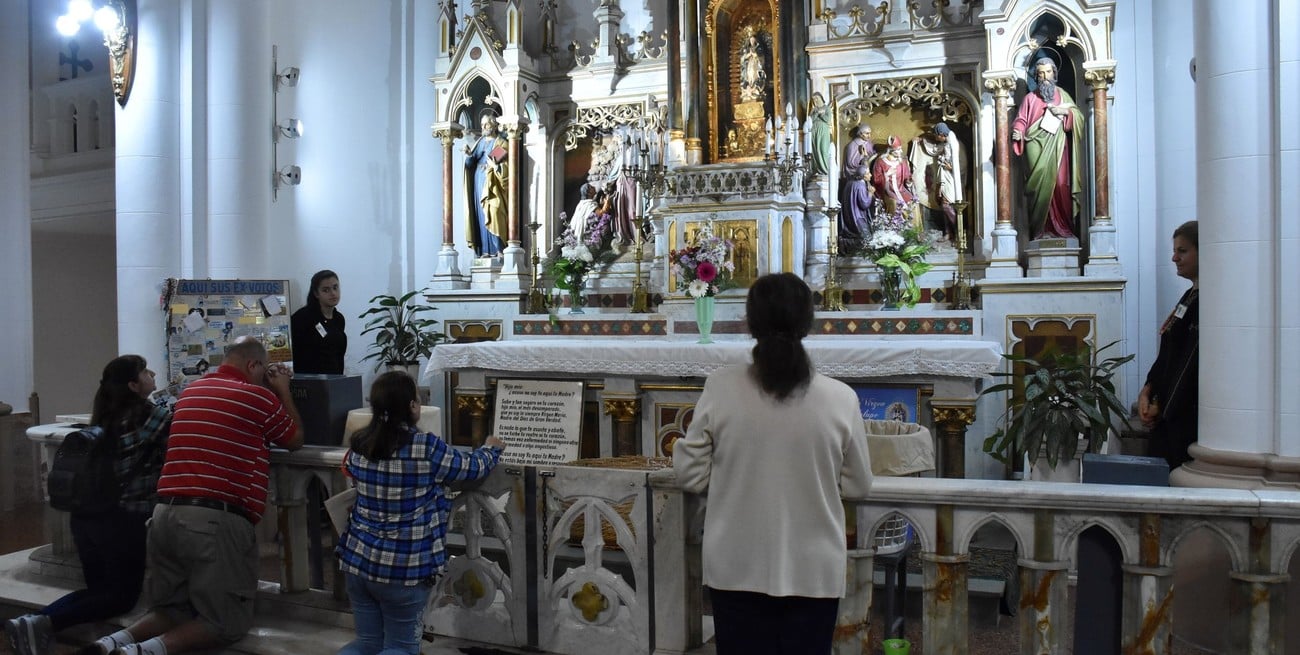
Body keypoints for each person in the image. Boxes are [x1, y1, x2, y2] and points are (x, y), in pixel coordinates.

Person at [672, 272, 873, 655]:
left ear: (751, 322)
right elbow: (859, 485)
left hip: (736, 563)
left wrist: (737, 477)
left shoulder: (721, 387)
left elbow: (690, 473)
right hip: (812, 569)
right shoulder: (840, 398)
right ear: (807, 323)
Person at [86, 338, 304, 655]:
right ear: (254, 365)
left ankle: (110, 644)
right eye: (262, 370)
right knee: (224, 622)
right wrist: (282, 388)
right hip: (215, 522)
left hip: (165, 515)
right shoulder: (256, 397)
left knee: (172, 609)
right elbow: (295, 438)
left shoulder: (191, 391)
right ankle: (137, 653)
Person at [4, 356, 170, 655]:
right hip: (123, 520)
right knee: (121, 597)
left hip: (87, 517)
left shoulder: (105, 414)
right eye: (145, 371)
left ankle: (33, 622)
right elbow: (180, 427)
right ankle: (45, 621)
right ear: (133, 385)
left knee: (100, 591)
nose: (153, 373)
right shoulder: (149, 416)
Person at [336, 371, 504, 655]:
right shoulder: (424, 447)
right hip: (404, 568)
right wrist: (491, 450)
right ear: (413, 406)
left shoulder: (360, 444)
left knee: (366, 643)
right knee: (400, 647)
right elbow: (470, 468)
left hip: (358, 563)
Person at [1138, 221, 1199, 469]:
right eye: (1175, 251)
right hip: (1166, 414)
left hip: (1182, 418)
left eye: (1182, 251)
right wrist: (1148, 390)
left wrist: (1163, 407)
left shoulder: (1209, 299)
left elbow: (1189, 362)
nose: (1174, 258)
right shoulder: (1189, 296)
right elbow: (1168, 351)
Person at [1011, 56, 1086, 240]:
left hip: (1059, 147)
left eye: (1048, 72)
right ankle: (1041, 231)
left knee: (1060, 186)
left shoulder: (1063, 95)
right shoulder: (1030, 98)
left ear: (1055, 73)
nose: (1045, 77)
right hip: (1034, 146)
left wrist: (1065, 112)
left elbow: (1078, 118)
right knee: (1037, 190)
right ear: (1036, 76)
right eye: (1041, 73)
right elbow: (1021, 120)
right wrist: (1018, 131)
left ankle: (1063, 229)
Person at [909, 122, 964, 242]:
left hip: (951, 179)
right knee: (942, 204)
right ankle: (948, 233)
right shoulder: (946, 142)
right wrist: (921, 141)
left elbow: (961, 165)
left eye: (936, 135)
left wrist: (951, 167)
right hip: (943, 177)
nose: (935, 137)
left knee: (946, 205)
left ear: (941, 134)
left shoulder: (954, 144)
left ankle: (960, 231)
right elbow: (934, 149)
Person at [464, 112, 507, 257]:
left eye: (487, 124)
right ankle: (484, 251)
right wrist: (469, 155)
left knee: (493, 212)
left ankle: (499, 249)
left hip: (492, 184)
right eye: (482, 125)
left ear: (494, 125)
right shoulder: (481, 142)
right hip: (478, 181)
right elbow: (470, 164)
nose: (483, 127)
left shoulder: (501, 142)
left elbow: (501, 162)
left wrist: (495, 166)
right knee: (481, 216)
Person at [291, 269, 346, 375]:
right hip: (310, 382)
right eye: (326, 290)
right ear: (316, 293)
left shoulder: (339, 318)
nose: (333, 293)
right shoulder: (303, 318)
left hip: (335, 381)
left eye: (335, 287)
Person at [838, 124, 875, 239]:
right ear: (860, 134)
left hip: (863, 180)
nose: (869, 136)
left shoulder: (868, 144)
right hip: (856, 178)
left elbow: (870, 159)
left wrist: (868, 158)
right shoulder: (852, 146)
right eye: (866, 133)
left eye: (870, 133)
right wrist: (863, 158)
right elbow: (851, 165)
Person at [872, 135, 916, 215]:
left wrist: (909, 181)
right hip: (886, 191)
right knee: (895, 204)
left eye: (901, 149)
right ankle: (894, 226)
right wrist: (887, 174)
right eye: (898, 150)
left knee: (913, 201)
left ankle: (914, 227)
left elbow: (907, 177)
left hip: (901, 190)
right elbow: (876, 180)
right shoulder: (880, 162)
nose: (901, 151)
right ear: (891, 151)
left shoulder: (902, 162)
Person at [807, 92, 832, 178]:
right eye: (814, 99)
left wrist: (821, 114)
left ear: (821, 98)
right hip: (814, 131)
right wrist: (816, 113)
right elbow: (809, 121)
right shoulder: (813, 110)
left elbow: (828, 120)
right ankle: (817, 169)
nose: (815, 100)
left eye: (817, 98)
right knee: (815, 150)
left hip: (823, 131)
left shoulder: (827, 108)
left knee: (823, 149)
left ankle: (825, 170)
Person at [738, 30, 766, 103]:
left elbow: (761, 58)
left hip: (756, 65)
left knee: (755, 75)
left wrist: (755, 55)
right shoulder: (746, 49)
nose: (752, 41)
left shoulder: (759, 48)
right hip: (749, 65)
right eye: (751, 40)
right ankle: (749, 89)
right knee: (749, 75)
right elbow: (742, 59)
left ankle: (755, 89)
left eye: (753, 40)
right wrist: (749, 54)